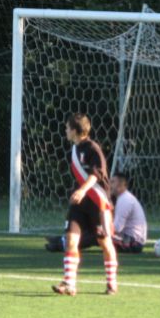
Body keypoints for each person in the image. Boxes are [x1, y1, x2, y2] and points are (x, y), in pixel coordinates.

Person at [51, 113, 118, 296]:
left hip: (96, 203)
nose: (65, 131)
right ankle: (69, 284)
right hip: (79, 205)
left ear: (74, 130)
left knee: (105, 243)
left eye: (67, 128)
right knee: (71, 241)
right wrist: (79, 193)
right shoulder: (74, 150)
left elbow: (96, 175)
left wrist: (82, 190)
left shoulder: (93, 148)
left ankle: (112, 283)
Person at [44, 173, 148, 253]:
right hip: (127, 239)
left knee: (98, 234)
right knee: (96, 230)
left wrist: (100, 226)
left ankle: (62, 244)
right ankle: (62, 240)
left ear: (122, 185)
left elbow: (117, 228)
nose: (109, 185)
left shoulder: (125, 200)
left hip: (132, 243)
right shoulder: (123, 198)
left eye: (112, 182)